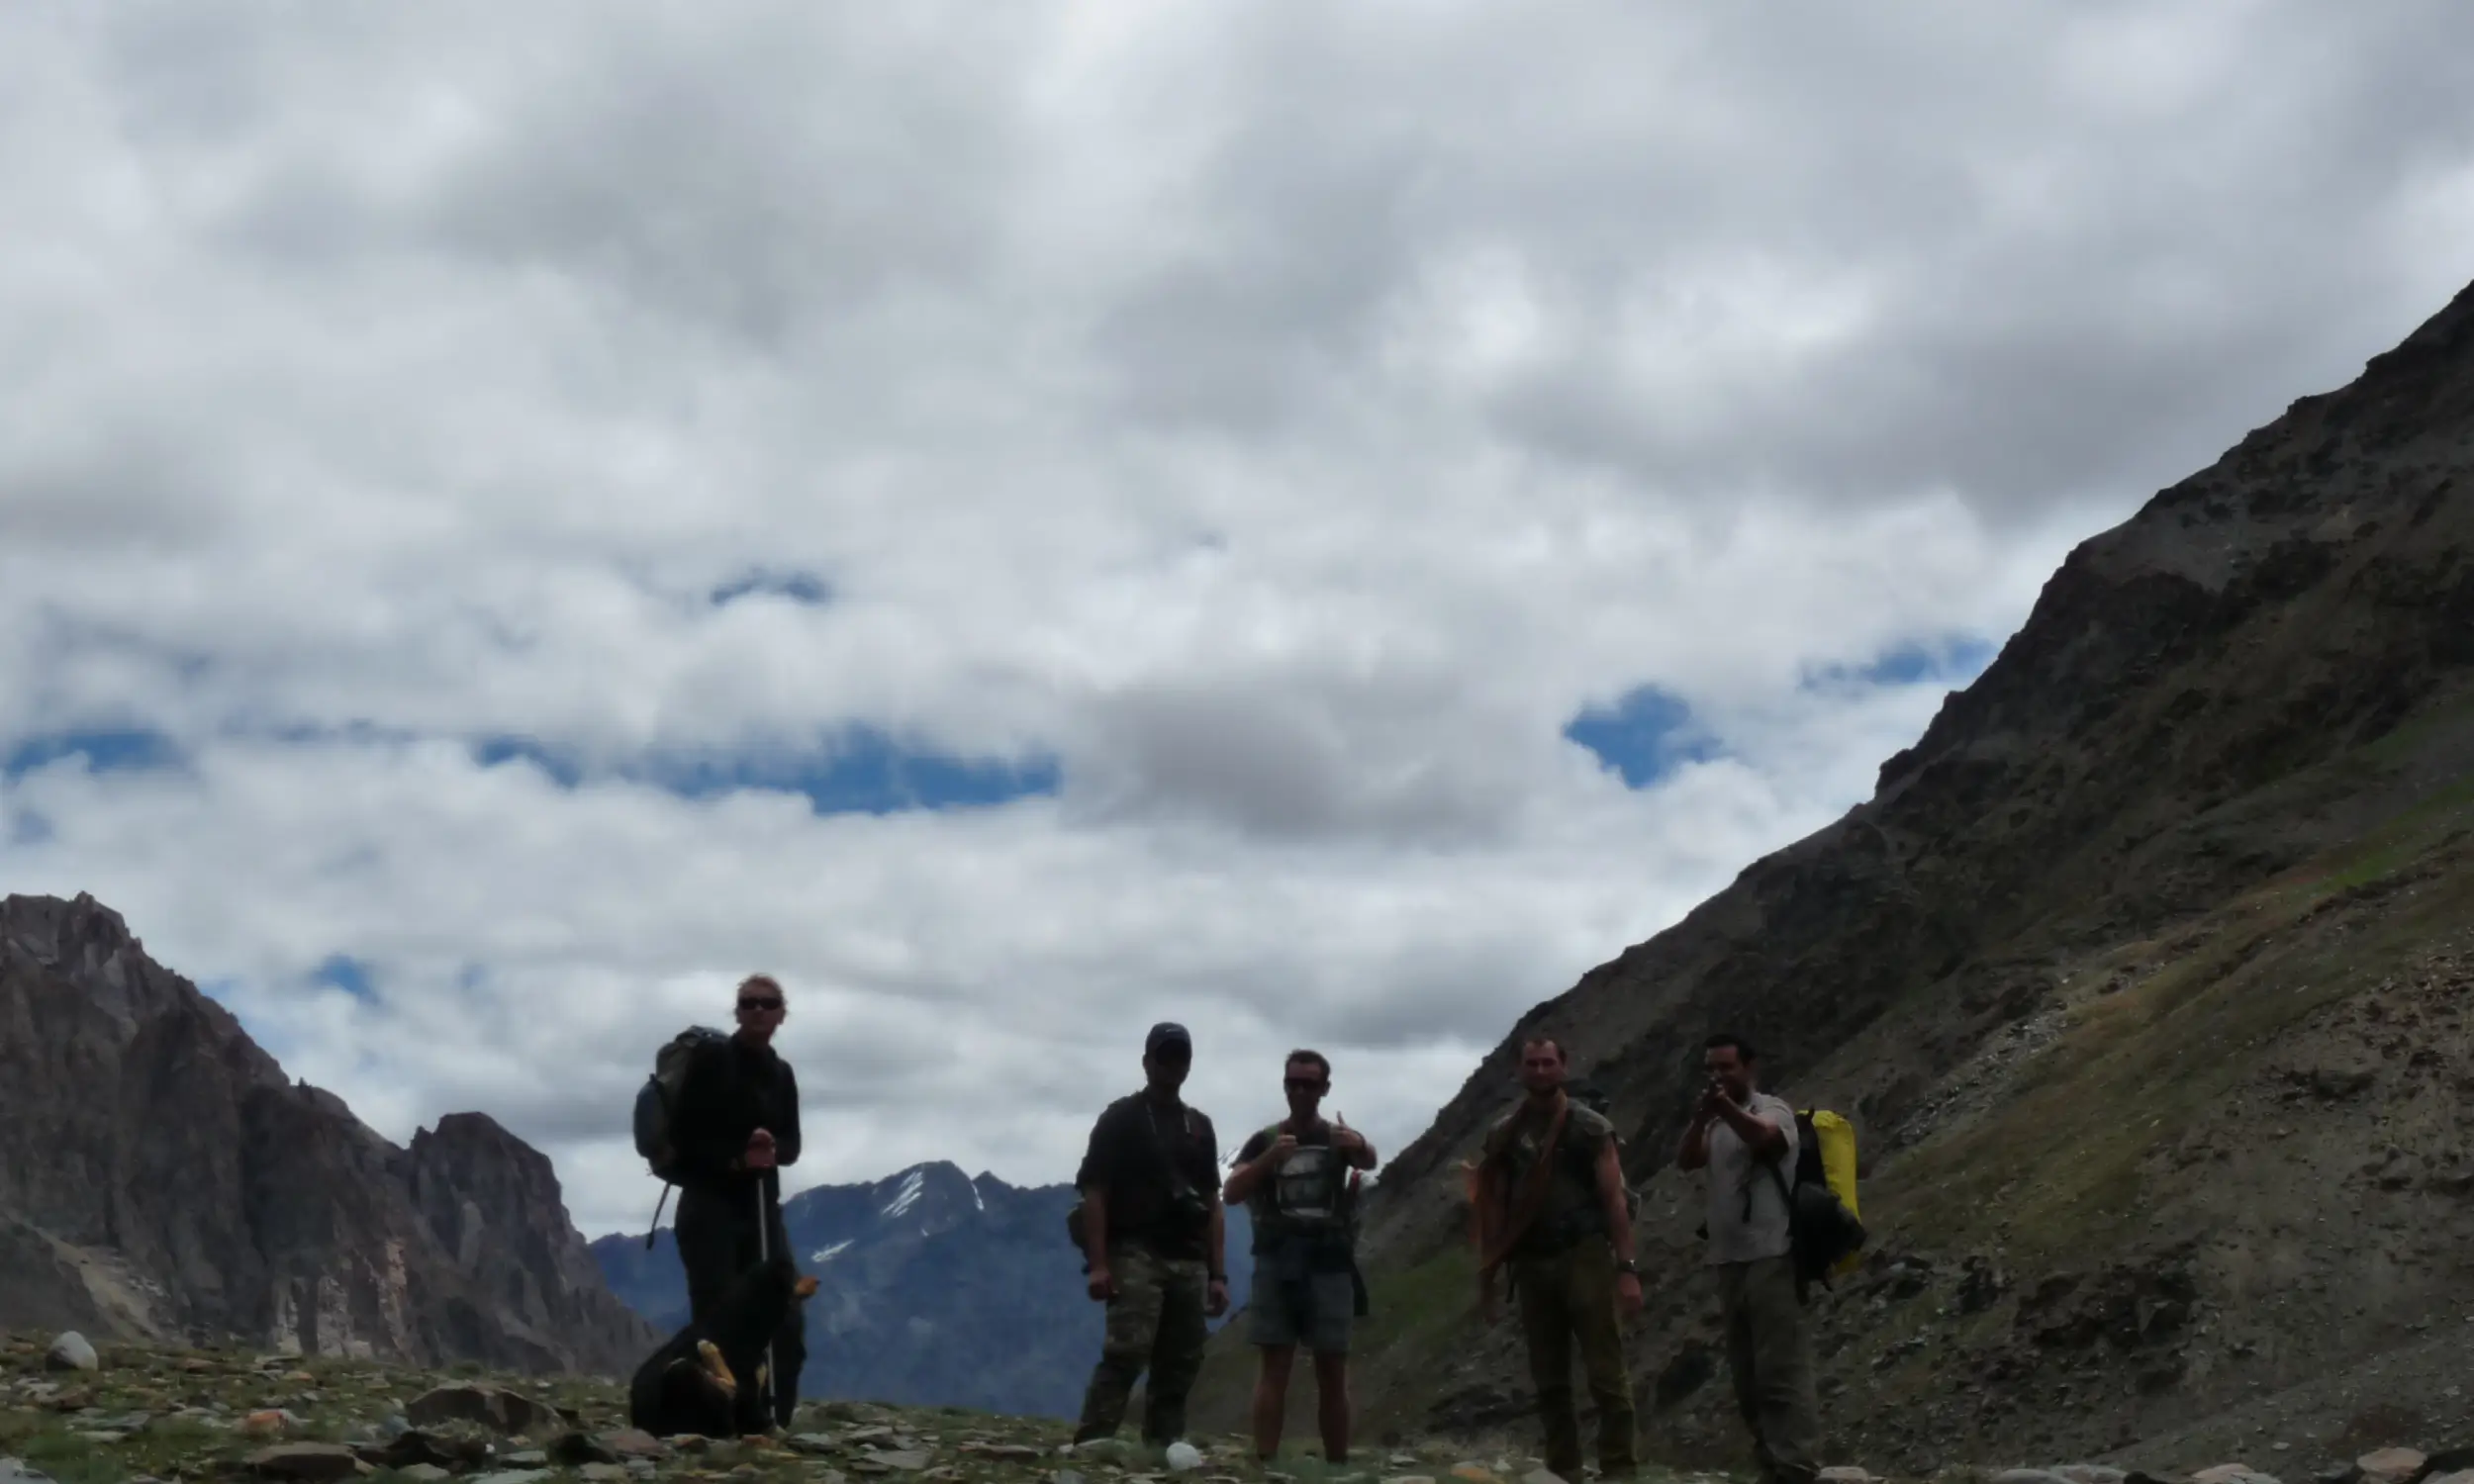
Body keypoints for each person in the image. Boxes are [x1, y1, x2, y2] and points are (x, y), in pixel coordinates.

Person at [1473, 1036, 1642, 1481]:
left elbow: (1615, 1201)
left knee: (1606, 1373)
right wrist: (1488, 1273)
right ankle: (1564, 1468)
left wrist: (1626, 1269)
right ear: (1520, 1070)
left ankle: (1620, 1470)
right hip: (1531, 1261)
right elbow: (1491, 1203)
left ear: (1563, 1067)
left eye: (1548, 1063)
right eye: (1533, 1064)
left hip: (1584, 1254)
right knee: (1548, 1378)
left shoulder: (1590, 1128)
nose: (1541, 1071)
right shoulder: (1505, 1134)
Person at [1072, 1022, 1231, 1447]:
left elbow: (1214, 1204)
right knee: (1126, 1352)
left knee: (1180, 1362)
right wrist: (1100, 1264)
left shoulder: (1199, 1126)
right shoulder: (1121, 1118)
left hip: (1189, 1258)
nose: (1173, 1064)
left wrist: (1218, 1274)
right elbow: (1095, 1190)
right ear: (1147, 1062)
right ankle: (1093, 1444)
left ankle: (1161, 1449)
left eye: (1181, 1056)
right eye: (1165, 1055)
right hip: (1135, 1251)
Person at [1223, 1049, 1379, 1464]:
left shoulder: (1337, 1138)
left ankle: (1337, 1464)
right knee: (1275, 1366)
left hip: (1329, 1263)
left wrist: (1359, 1142)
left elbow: (1369, 1159)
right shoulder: (1265, 1140)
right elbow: (1231, 1192)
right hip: (1278, 1263)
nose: (1299, 1090)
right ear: (1284, 1085)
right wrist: (1269, 1160)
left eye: (1309, 1083)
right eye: (1293, 1082)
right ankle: (1266, 1461)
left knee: (1332, 1368)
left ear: (1325, 1089)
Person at [1675, 1034, 1819, 1484]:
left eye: (1726, 1068)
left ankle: (1796, 1465)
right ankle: (1769, 1462)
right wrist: (1702, 1117)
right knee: (1745, 1372)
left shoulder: (1771, 1109)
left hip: (1772, 1253)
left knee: (1779, 1368)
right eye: (1711, 1070)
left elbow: (1769, 1141)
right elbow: (1685, 1159)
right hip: (1728, 1259)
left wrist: (1725, 1110)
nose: (1717, 1077)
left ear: (1749, 1068)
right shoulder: (1717, 1122)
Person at [667, 973, 807, 1433]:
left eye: (768, 1004)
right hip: (710, 1208)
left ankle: (772, 1423)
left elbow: (792, 1144)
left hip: (762, 1208)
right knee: (715, 1321)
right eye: (749, 1003)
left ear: (782, 1013)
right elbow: (683, 1137)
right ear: (738, 1011)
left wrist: (771, 1147)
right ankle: (713, 1423)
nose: (759, 1011)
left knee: (783, 1318)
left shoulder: (781, 1073)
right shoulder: (711, 1061)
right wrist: (735, 1160)